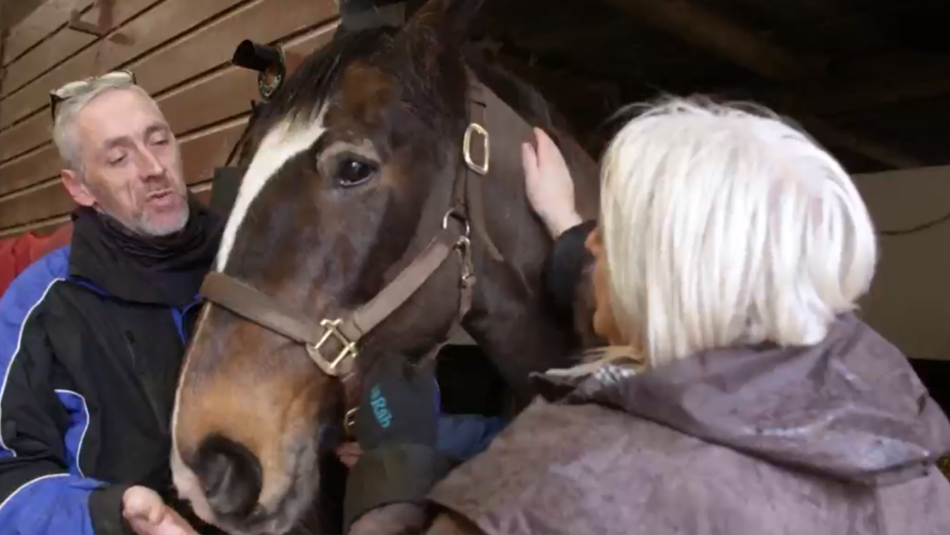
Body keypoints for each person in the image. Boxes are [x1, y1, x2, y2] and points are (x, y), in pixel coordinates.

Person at [343, 96, 950, 535]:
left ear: (671, 278)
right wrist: (564, 223)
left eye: (614, 232)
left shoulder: (551, 485)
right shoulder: (913, 475)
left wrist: (394, 465)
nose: (594, 242)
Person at [0, 71, 507, 535]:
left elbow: (386, 368)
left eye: (159, 140)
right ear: (80, 188)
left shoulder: (264, 260)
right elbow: (10, 478)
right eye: (118, 158)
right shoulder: (41, 306)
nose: (153, 168)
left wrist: (385, 437)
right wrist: (111, 515)